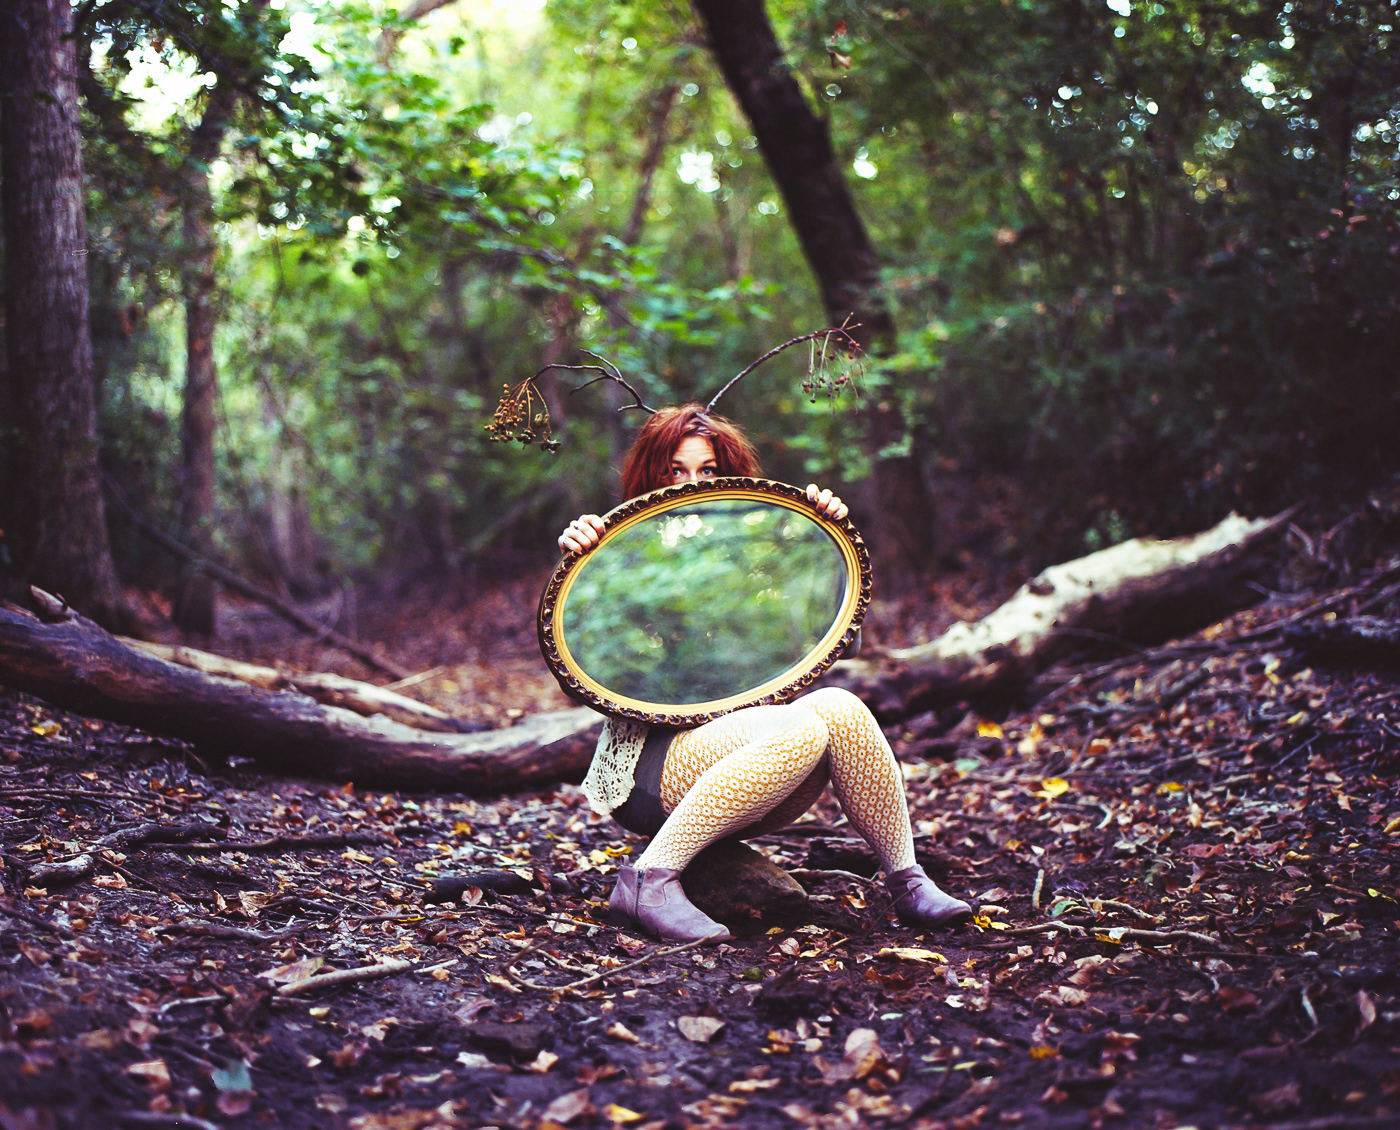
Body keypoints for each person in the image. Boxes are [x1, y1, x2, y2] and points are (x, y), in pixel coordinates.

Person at [561, 404, 972, 943]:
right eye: (675, 471)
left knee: (841, 707)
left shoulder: (754, 551)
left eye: (707, 470)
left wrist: (822, 541)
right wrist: (579, 562)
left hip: (748, 762)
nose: (691, 484)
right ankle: (648, 879)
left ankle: (907, 881)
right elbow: (586, 663)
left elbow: (829, 643)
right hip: (652, 768)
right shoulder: (624, 550)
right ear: (651, 476)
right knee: (798, 726)